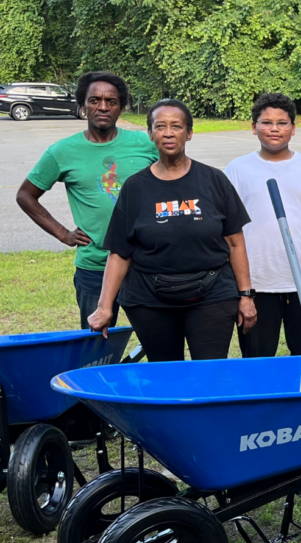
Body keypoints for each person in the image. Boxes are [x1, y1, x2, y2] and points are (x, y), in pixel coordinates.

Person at [88, 99, 256, 361]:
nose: (168, 133)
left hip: (213, 294)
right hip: (150, 299)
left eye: (176, 126)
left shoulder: (214, 180)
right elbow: (120, 252)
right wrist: (104, 307)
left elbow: (235, 242)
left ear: (188, 133)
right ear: (151, 134)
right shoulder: (135, 188)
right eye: (160, 126)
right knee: (165, 376)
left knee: (209, 374)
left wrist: (245, 296)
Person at [16, 71, 157, 328]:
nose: (103, 107)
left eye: (111, 101)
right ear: (82, 105)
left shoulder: (146, 144)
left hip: (147, 264)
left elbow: (176, 180)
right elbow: (26, 195)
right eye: (94, 100)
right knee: (97, 347)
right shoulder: (62, 151)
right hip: (95, 268)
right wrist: (62, 233)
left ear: (120, 107)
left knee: (159, 343)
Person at [225, 93, 301, 358]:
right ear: (253, 127)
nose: (274, 129)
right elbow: (229, 232)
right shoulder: (238, 169)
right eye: (266, 122)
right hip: (258, 284)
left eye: (282, 122)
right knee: (257, 360)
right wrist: (242, 287)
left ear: (293, 128)